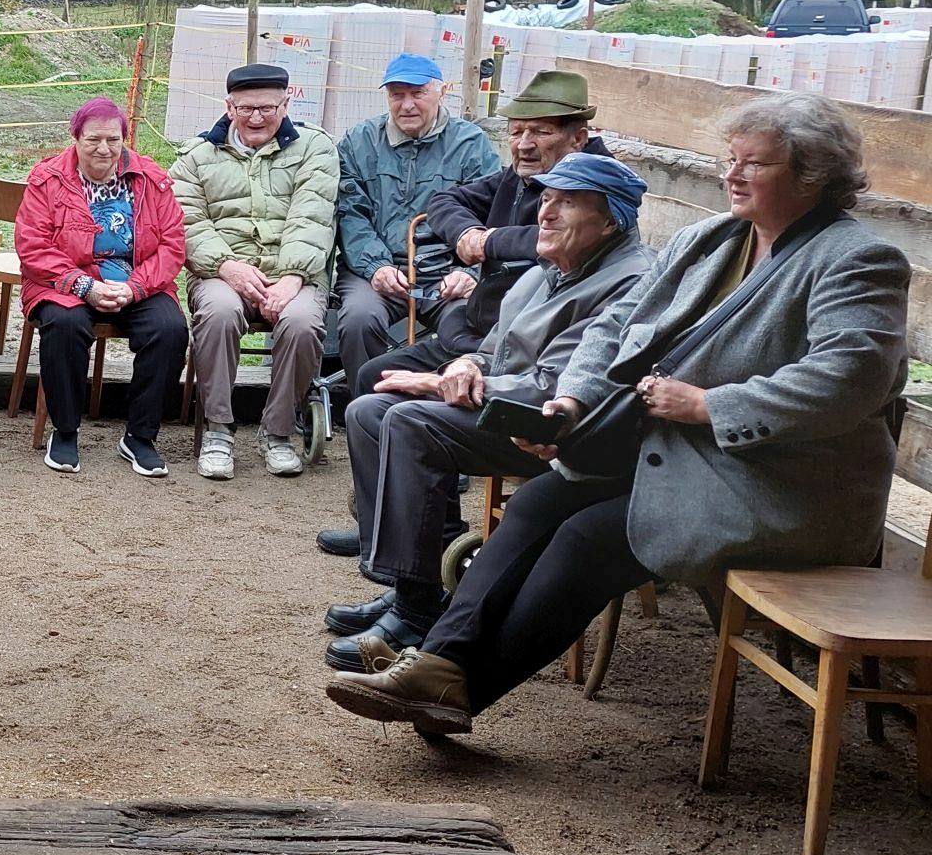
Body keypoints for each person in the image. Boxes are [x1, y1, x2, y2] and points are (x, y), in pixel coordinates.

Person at [329, 94, 911, 735]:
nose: (733, 175)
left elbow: (850, 378)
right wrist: (571, 400)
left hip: (781, 484)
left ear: (813, 175)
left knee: (589, 538)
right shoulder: (710, 238)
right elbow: (616, 330)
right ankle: (438, 665)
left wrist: (709, 405)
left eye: (756, 164)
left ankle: (457, 686)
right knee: (537, 504)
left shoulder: (857, 258)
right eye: (731, 159)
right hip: (685, 460)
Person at [322, 154, 653, 670]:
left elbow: (556, 387)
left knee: (409, 420)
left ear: (611, 219)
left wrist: (448, 382)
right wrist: (467, 365)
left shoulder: (629, 282)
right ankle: (418, 586)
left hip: (562, 432)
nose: (545, 213)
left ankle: (415, 610)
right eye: (546, 199)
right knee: (368, 410)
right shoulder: (552, 267)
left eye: (567, 203)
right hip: (505, 400)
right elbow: (495, 350)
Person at [172, 63, 339, 481]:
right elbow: (187, 220)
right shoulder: (195, 156)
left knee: (301, 322)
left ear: (287, 103)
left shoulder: (315, 148)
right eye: (246, 108)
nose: (257, 117)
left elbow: (313, 215)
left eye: (268, 107)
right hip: (220, 269)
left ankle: (278, 431)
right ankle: (218, 430)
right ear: (229, 107)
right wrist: (226, 266)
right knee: (220, 314)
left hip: (295, 271)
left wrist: (293, 276)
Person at [17, 97, 189, 477]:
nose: (104, 148)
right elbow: (32, 247)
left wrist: (135, 287)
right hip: (64, 282)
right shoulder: (48, 179)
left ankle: (140, 437)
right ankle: (64, 431)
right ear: (75, 137)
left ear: (124, 138)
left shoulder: (150, 179)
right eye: (94, 139)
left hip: (135, 281)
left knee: (170, 329)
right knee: (64, 325)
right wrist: (83, 286)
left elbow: (173, 243)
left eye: (114, 139)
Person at [332, 54, 500, 387]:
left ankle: (439, 410)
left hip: (447, 273)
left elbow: (491, 214)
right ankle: (365, 412)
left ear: (442, 91)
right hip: (375, 272)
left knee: (470, 321)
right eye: (397, 94)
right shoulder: (358, 142)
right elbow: (350, 213)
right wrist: (376, 267)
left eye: (418, 93)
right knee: (359, 319)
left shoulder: (471, 144)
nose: (407, 104)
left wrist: (469, 272)